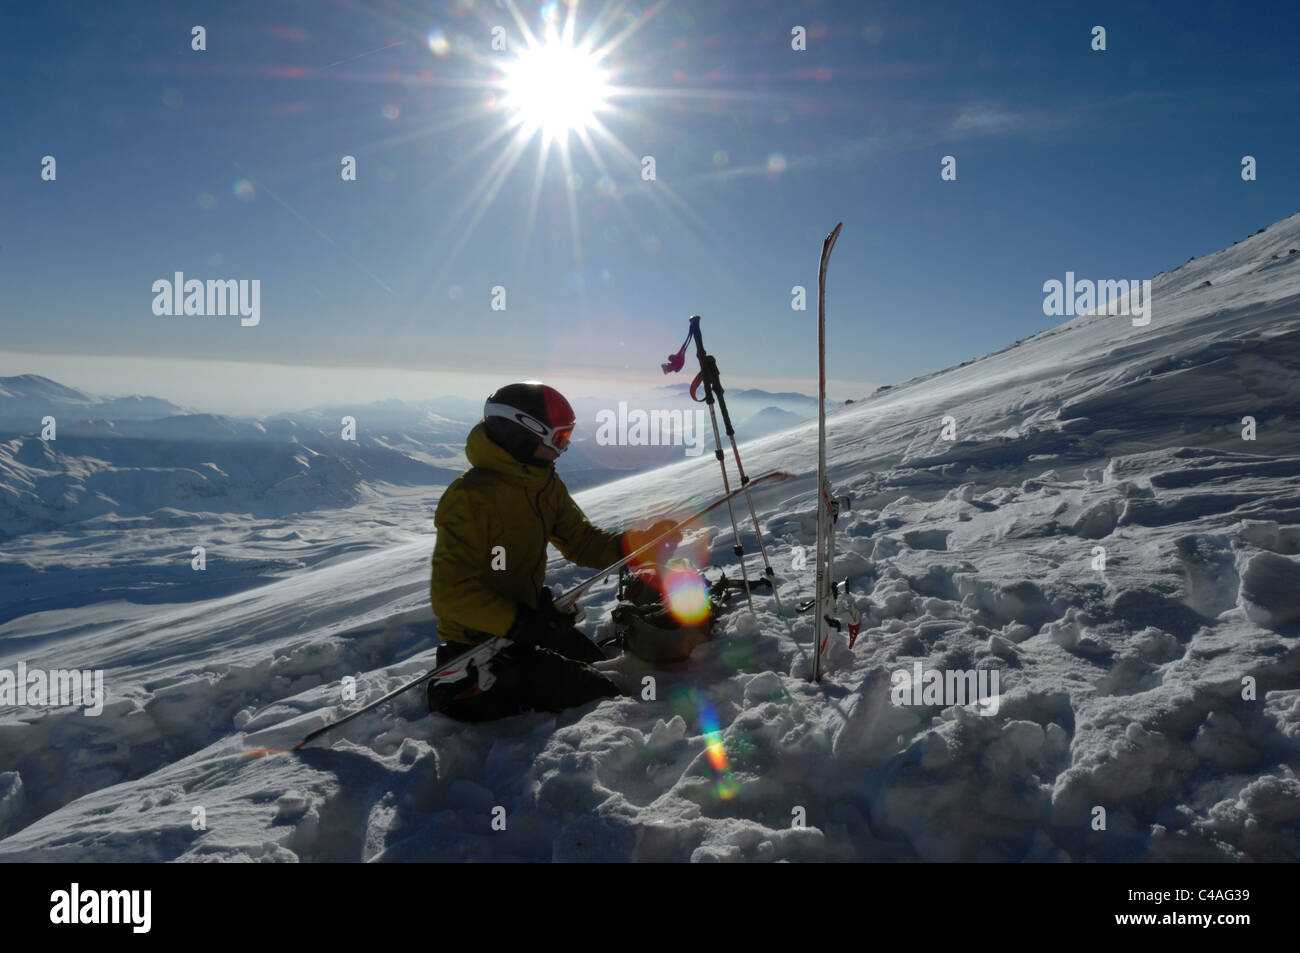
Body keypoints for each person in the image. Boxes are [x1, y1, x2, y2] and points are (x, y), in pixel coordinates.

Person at [428, 381, 678, 720]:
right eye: (558, 441)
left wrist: (636, 547)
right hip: (481, 646)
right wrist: (518, 623)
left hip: (526, 626)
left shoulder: (543, 483)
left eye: (566, 440)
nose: (562, 451)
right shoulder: (470, 498)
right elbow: (449, 596)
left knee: (596, 663)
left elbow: (582, 541)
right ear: (523, 434)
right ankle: (459, 690)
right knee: (605, 697)